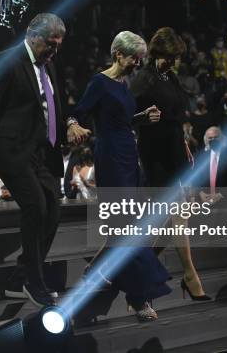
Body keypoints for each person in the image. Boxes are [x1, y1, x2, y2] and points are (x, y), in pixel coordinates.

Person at [67, 31, 170, 321]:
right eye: (134, 59)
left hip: (129, 155)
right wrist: (73, 125)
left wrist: (141, 117)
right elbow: (78, 112)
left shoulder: (124, 85)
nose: (137, 65)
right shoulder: (100, 82)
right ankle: (139, 298)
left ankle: (97, 268)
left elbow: (122, 121)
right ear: (118, 55)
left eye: (140, 60)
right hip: (111, 156)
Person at [0, 13, 77, 307]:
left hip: (42, 152)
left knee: (53, 211)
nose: (55, 50)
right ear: (33, 36)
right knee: (35, 206)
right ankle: (34, 281)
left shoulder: (49, 65)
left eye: (59, 45)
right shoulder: (6, 60)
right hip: (12, 150)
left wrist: (68, 124)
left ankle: (19, 278)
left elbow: (55, 103)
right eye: (50, 44)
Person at [131, 27, 210, 301]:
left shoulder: (171, 77)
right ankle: (190, 276)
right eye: (168, 56)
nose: (172, 61)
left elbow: (176, 116)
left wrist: (185, 143)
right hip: (155, 153)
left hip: (176, 149)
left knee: (168, 222)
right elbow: (127, 114)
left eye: (174, 57)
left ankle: (138, 276)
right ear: (156, 52)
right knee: (178, 216)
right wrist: (142, 117)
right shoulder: (143, 78)